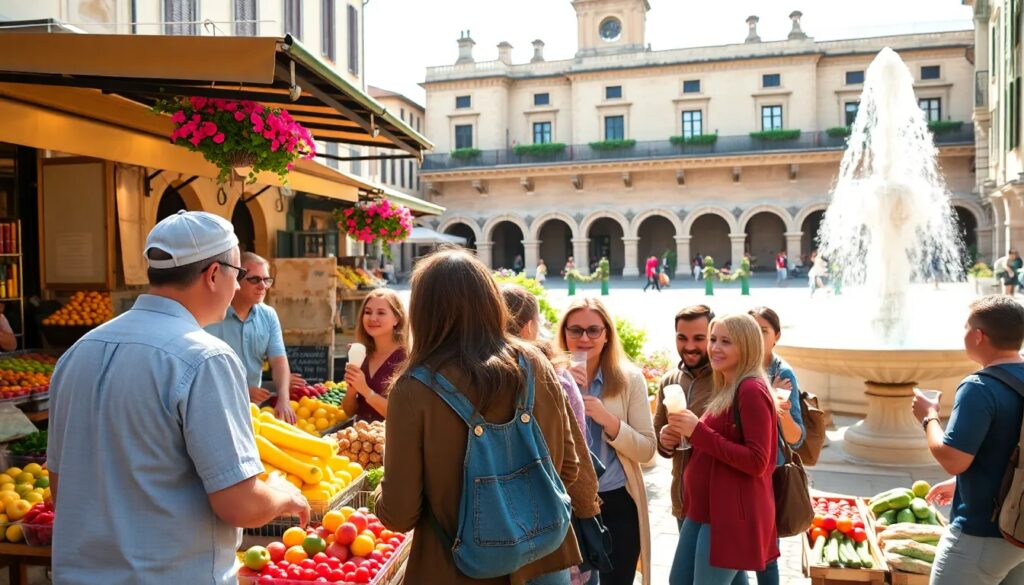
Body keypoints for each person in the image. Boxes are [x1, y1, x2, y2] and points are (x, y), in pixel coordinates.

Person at [47, 211, 309, 584]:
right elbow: (239, 504)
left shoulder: (79, 351)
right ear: (214, 274)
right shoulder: (205, 358)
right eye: (237, 274)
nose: (237, 287)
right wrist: (283, 495)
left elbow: (62, 487)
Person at [377, 248, 582, 585]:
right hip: (543, 561)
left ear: (423, 311)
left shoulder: (412, 390)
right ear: (490, 299)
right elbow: (569, 467)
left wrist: (377, 499)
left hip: (456, 569)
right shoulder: (534, 363)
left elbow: (399, 513)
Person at [912, 295, 1024, 584]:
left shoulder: (980, 386)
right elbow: (1011, 445)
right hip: (1020, 532)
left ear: (978, 336)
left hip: (982, 534)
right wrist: (960, 484)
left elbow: (953, 459)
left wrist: (929, 417)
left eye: (965, 327)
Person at [668, 313, 779, 585]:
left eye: (726, 342)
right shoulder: (729, 385)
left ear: (747, 346)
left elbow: (758, 461)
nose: (715, 348)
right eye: (714, 339)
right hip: (705, 509)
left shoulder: (751, 389)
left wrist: (698, 431)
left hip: (729, 516)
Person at [501, 284, 600, 585]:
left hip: (500, 525)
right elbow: (573, 460)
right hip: (550, 520)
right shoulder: (556, 378)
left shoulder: (480, 380)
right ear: (531, 326)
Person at [557, 298, 656, 585]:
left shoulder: (629, 380)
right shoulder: (551, 378)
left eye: (593, 330)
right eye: (575, 330)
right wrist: (566, 392)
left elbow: (648, 451)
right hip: (569, 504)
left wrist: (609, 421)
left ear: (606, 335)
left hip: (616, 501)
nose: (584, 338)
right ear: (563, 333)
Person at [748, 307, 806, 585]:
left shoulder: (783, 374)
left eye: (764, 331)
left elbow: (796, 438)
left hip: (770, 471)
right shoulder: (739, 365)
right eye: (752, 329)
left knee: (765, 554)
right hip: (740, 466)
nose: (757, 337)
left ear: (776, 336)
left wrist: (778, 406)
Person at [205, 252, 298, 423]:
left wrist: (283, 399)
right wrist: (242, 391)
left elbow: (279, 361)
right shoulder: (211, 314)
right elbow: (204, 372)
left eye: (266, 280)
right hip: (215, 409)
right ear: (236, 280)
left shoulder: (268, 315)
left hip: (254, 410)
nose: (262, 286)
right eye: (254, 279)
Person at [654, 305, 716, 527]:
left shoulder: (727, 380)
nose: (689, 347)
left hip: (717, 505)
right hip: (683, 502)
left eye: (699, 338)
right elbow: (660, 444)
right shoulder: (669, 381)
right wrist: (664, 440)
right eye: (682, 338)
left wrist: (697, 431)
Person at [341, 289, 409, 423]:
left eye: (381, 313)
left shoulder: (406, 359)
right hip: (362, 439)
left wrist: (366, 391)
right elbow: (349, 411)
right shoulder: (361, 355)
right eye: (368, 312)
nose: (372, 318)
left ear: (397, 319)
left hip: (392, 441)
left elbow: (403, 415)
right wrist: (352, 388)